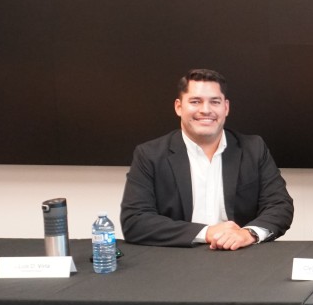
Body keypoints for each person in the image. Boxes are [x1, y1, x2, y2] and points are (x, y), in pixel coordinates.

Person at [121, 69, 294, 249]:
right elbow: (135, 221)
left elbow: (280, 206)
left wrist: (247, 233)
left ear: (225, 107)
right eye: (196, 101)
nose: (205, 110)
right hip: (175, 259)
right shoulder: (150, 155)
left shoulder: (254, 148)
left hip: (240, 256)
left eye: (214, 102)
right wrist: (207, 232)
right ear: (178, 107)